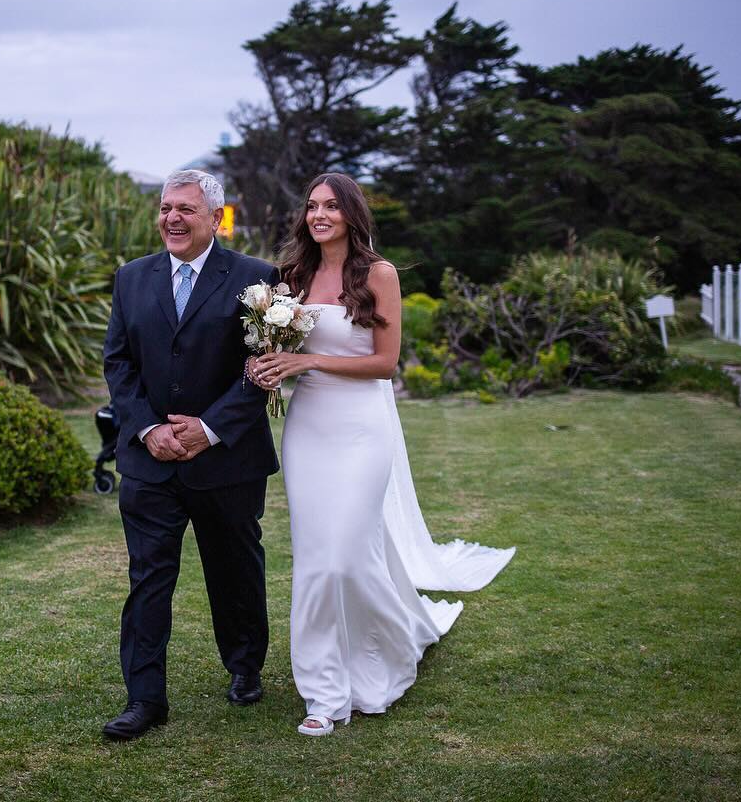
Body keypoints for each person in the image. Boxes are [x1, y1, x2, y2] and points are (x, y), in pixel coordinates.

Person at [251, 172, 515, 737]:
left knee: (346, 556)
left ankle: (390, 646)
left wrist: (307, 364)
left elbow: (384, 363)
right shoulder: (291, 276)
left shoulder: (379, 274)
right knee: (316, 559)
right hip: (309, 430)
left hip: (362, 427)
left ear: (351, 213)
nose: (319, 215)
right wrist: (267, 364)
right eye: (312, 206)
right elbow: (280, 350)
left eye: (330, 206)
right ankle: (323, 692)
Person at [100, 169, 281, 741]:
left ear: (215, 218)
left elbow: (262, 372)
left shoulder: (257, 280)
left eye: (184, 209)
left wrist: (208, 428)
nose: (171, 219)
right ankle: (144, 698)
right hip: (150, 461)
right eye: (164, 208)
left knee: (234, 570)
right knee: (149, 577)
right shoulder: (131, 279)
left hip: (227, 461)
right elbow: (118, 363)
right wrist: (148, 428)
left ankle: (245, 667)